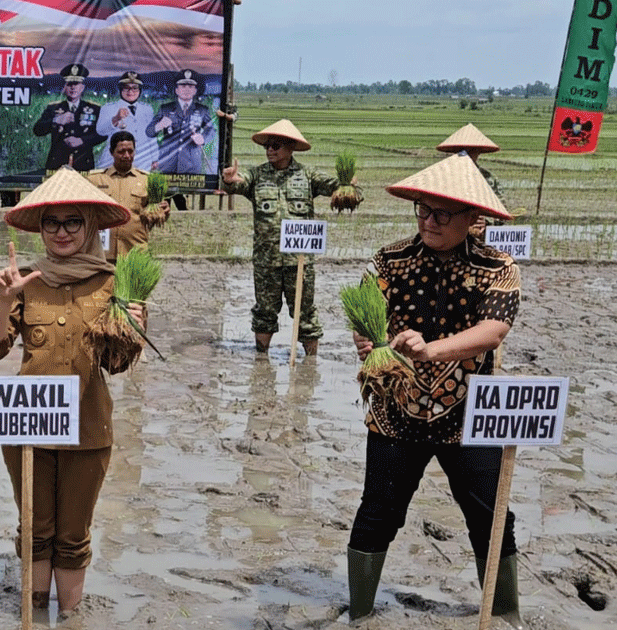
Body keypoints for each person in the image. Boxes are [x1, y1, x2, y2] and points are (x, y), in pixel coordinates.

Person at [346, 153, 521, 627]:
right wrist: (366, 338)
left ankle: (504, 611)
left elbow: (493, 330)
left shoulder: (496, 266)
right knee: (378, 510)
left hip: (470, 413)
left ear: (472, 217)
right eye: (422, 210)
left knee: (491, 513)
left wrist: (431, 350)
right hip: (394, 411)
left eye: (442, 213)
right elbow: (366, 314)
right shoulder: (390, 260)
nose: (429, 221)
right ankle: (360, 612)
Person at [0, 167, 143, 621]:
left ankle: (69, 617)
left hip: (88, 429)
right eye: (52, 222)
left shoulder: (113, 284)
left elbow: (115, 364)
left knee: (72, 534)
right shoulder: (25, 280)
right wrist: (4, 300)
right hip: (28, 426)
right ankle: (34, 613)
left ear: (90, 224)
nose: (62, 232)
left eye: (73, 222)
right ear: (41, 227)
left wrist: (131, 327)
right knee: (34, 530)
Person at [221, 119, 340, 355]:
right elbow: (237, 184)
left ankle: (310, 362)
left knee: (304, 313)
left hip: (299, 262)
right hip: (267, 261)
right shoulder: (256, 175)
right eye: (267, 146)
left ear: (291, 148)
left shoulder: (307, 175)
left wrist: (347, 186)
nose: (270, 150)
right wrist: (228, 180)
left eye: (276, 145)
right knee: (265, 311)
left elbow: (339, 186)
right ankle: (262, 360)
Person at [86, 131, 171, 262]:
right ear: (111, 152)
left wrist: (162, 211)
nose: (127, 156)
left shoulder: (146, 180)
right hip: (102, 255)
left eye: (130, 151)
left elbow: (157, 213)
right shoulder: (96, 180)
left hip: (135, 251)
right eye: (121, 151)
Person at [436, 123, 504, 238]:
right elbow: (431, 210)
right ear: (456, 151)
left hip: (480, 239)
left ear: (479, 151)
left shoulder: (489, 179)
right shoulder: (442, 177)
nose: (467, 153)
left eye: (472, 150)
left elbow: (502, 213)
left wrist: (486, 221)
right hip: (450, 236)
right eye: (463, 150)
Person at [32, 64, 105, 171]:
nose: (73, 87)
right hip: (57, 162)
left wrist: (82, 140)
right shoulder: (53, 108)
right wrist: (56, 120)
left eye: (76, 84)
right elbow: (37, 130)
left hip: (83, 163)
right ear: (65, 87)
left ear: (82, 87)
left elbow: (103, 133)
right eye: (70, 84)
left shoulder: (94, 109)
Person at [146, 69, 215, 174]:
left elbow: (211, 129)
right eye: (183, 86)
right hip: (168, 163)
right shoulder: (165, 109)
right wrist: (159, 125)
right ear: (176, 90)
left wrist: (203, 138)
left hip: (191, 163)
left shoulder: (202, 110)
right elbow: (149, 132)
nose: (187, 89)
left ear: (195, 91)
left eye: (190, 87)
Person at [95, 71, 159, 171]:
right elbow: (100, 131)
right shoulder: (108, 108)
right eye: (126, 87)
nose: (130, 91)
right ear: (120, 89)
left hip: (142, 160)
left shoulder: (147, 109)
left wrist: (155, 158)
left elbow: (151, 136)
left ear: (140, 90)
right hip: (115, 160)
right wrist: (116, 118)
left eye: (134, 88)